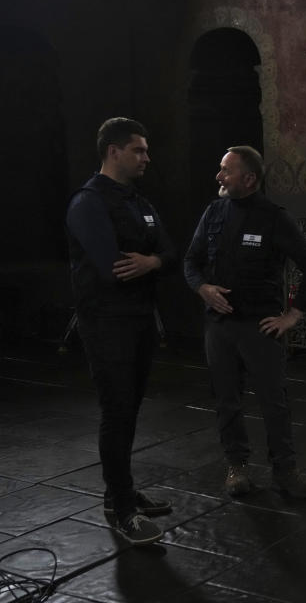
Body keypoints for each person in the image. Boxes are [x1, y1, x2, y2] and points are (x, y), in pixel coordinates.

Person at [183, 146, 306, 499]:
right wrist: (202, 288)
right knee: (226, 399)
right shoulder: (214, 212)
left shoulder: (274, 217)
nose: (219, 176)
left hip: (260, 327)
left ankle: (285, 472)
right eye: (220, 169)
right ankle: (237, 468)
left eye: (226, 170)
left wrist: (292, 314)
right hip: (219, 326)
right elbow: (191, 261)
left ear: (249, 178)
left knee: (273, 402)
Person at [65, 117, 176, 545]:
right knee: (117, 411)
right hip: (106, 322)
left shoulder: (139, 202)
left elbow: (168, 250)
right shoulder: (88, 202)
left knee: (130, 410)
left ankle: (120, 492)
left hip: (139, 319)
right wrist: (149, 263)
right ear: (114, 152)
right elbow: (114, 269)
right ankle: (124, 511)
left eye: (146, 150)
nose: (147, 157)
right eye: (139, 150)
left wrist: (150, 262)